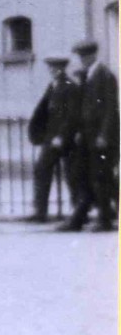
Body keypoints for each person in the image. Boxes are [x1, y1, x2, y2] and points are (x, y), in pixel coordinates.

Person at [58, 39, 119, 232]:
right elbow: (82, 108)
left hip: (100, 138)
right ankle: (79, 218)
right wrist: (78, 132)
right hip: (86, 136)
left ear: (92, 55)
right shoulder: (87, 76)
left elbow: (110, 109)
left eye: (84, 56)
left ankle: (104, 220)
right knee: (82, 176)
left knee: (100, 178)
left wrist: (104, 135)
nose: (81, 60)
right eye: (80, 56)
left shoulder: (105, 76)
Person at [26, 56, 80, 222]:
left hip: (64, 139)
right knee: (42, 170)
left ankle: (77, 213)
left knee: (72, 175)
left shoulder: (70, 87)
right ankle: (40, 212)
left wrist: (61, 136)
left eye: (55, 68)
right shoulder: (53, 86)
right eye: (50, 67)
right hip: (51, 138)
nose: (52, 70)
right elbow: (44, 110)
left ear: (62, 69)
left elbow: (72, 116)